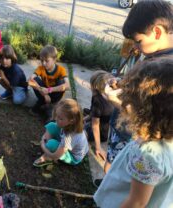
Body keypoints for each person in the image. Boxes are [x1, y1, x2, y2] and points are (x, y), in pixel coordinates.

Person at [94, 57, 173, 208]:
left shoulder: (148, 153)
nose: (126, 103)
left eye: (132, 100)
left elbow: (136, 202)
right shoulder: (163, 136)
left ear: (145, 111)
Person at [33, 99, 89, 167]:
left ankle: (47, 156)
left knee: (51, 144)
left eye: (60, 118)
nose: (56, 118)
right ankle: (50, 146)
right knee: (52, 125)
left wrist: (43, 146)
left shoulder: (68, 137)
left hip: (72, 158)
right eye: (57, 115)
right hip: (67, 145)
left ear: (71, 121)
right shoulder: (72, 125)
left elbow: (55, 156)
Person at [28, 45, 70, 120]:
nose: (43, 63)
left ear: (54, 60)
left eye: (47, 61)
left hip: (55, 94)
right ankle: (46, 105)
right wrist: (43, 93)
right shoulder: (41, 68)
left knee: (62, 81)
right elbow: (30, 81)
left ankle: (50, 106)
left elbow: (67, 86)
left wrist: (49, 90)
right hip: (44, 92)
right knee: (35, 80)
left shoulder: (61, 70)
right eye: (41, 60)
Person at [84, 71, 114, 161]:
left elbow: (95, 125)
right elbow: (93, 114)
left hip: (101, 134)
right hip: (106, 130)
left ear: (95, 86)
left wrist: (98, 147)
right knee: (84, 113)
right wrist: (83, 119)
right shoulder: (110, 96)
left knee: (77, 129)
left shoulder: (97, 99)